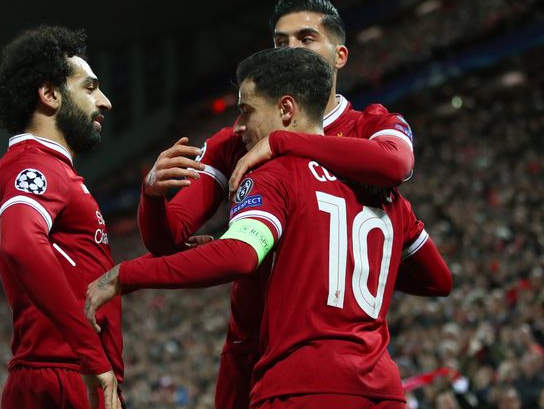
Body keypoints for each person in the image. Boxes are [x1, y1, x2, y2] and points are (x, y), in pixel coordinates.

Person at [87, 46, 450, 408]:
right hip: (383, 392)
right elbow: (438, 278)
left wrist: (125, 274)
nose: (237, 126)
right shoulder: (387, 192)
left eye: (246, 111)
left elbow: (241, 255)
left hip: (299, 387)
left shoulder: (274, 172)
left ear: (286, 109)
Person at [0, 25, 122, 409]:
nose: (106, 101)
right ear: (49, 94)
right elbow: (21, 241)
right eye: (90, 87)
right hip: (63, 376)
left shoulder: (48, 168)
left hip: (69, 370)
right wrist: (91, 354)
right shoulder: (33, 165)